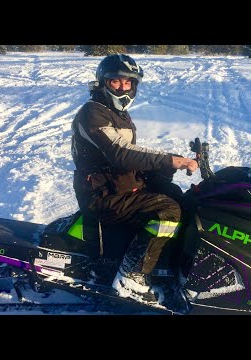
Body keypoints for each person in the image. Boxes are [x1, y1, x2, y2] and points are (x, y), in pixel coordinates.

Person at [70, 54, 198, 313]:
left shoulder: (118, 115)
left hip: (118, 187)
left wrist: (162, 172)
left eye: (128, 83)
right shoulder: (92, 113)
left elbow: (128, 158)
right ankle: (132, 276)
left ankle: (167, 267)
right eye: (116, 82)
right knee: (168, 212)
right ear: (103, 83)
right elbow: (119, 153)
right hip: (101, 195)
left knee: (176, 196)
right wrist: (170, 160)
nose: (122, 88)